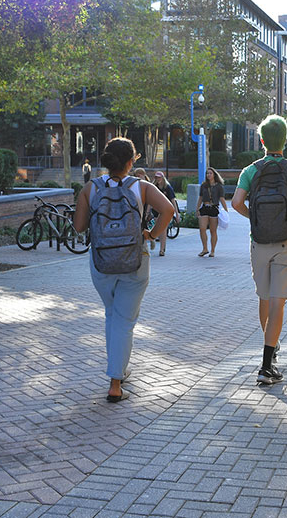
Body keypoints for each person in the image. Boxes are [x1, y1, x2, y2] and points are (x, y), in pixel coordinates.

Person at [73, 138, 175, 403]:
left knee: (113, 315)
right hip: (135, 262)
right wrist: (151, 234)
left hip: (102, 263)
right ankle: (115, 383)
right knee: (124, 321)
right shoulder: (141, 187)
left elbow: (79, 227)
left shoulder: (90, 188)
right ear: (132, 161)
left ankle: (118, 369)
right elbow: (169, 210)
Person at [231, 115, 287, 385]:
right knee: (278, 301)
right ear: (285, 140)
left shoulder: (250, 170)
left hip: (259, 242)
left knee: (265, 298)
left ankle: (271, 346)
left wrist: (253, 218)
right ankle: (267, 364)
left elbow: (235, 203)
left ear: (262, 140)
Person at [197, 167, 228, 257]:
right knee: (202, 229)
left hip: (214, 208)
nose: (208, 175)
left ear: (214, 174)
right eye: (207, 173)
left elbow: (222, 199)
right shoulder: (204, 185)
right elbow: (200, 198)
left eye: (210, 173)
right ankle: (205, 248)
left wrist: (226, 211)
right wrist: (197, 209)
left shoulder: (219, 186)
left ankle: (213, 250)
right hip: (204, 207)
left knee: (213, 231)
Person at [151, 171, 178, 256]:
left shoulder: (168, 188)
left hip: (165, 210)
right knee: (156, 229)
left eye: (159, 177)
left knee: (163, 229)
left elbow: (173, 201)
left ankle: (162, 249)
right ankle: (154, 242)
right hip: (156, 209)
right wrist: (148, 211)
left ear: (163, 178)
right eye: (156, 177)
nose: (158, 179)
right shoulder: (154, 187)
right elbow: (150, 200)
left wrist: (177, 213)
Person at [133, 168, 155, 251]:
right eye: (136, 175)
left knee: (144, 225)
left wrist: (147, 212)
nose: (138, 177)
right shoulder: (135, 184)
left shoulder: (147, 185)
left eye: (139, 175)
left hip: (145, 208)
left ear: (143, 175)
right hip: (138, 208)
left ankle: (150, 239)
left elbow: (150, 201)